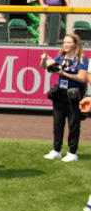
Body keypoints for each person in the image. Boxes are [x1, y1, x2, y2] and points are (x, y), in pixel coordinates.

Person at [40, 33, 88, 162]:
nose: (66, 45)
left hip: (74, 94)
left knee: (73, 123)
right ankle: (56, 150)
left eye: (69, 42)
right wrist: (44, 59)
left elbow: (82, 78)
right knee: (58, 123)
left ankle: (72, 152)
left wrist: (63, 73)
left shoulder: (81, 59)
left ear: (75, 44)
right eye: (64, 42)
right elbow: (44, 66)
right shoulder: (60, 57)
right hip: (60, 94)